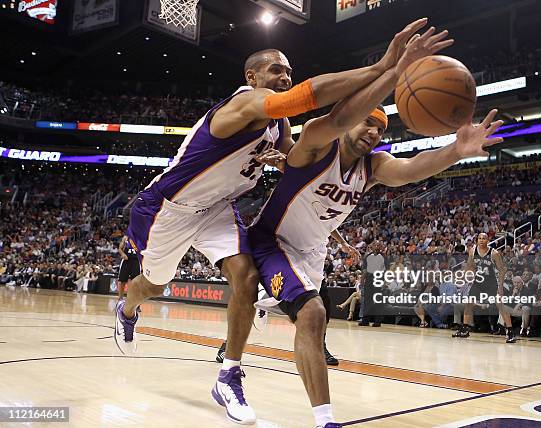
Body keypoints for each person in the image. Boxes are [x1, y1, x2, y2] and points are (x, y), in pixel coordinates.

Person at [114, 19, 440, 426]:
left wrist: (288, 158)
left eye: (288, 71)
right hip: (169, 208)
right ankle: (127, 308)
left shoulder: (279, 124)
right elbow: (308, 98)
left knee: (246, 276)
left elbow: (301, 156)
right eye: (276, 70)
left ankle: (228, 375)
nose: (285, 76)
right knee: (155, 284)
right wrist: (382, 69)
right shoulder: (245, 103)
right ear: (252, 77)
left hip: (217, 207)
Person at [247, 24, 506, 426]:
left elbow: (410, 169)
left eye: (381, 129)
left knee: (313, 315)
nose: (372, 132)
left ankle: (260, 310)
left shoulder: (373, 167)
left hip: (311, 250)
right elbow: (337, 116)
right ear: (351, 119)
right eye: (367, 122)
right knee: (312, 314)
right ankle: (325, 419)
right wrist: (393, 69)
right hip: (271, 242)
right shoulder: (315, 142)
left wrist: (456, 149)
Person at [453, 233, 516, 343]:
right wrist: (463, 276)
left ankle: (510, 332)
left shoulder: (494, 253)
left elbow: (502, 270)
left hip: (491, 283)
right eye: (480, 238)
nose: (481, 240)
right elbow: (470, 265)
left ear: (488, 240)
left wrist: (500, 287)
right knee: (468, 303)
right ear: (477, 240)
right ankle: (465, 329)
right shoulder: (472, 251)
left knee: (500, 305)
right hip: (478, 282)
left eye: (484, 238)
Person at [117, 235, 141, 300]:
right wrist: (123, 254)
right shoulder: (126, 237)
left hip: (136, 261)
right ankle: (120, 299)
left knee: (136, 282)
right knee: (122, 281)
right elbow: (120, 248)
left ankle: (135, 302)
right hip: (126, 261)